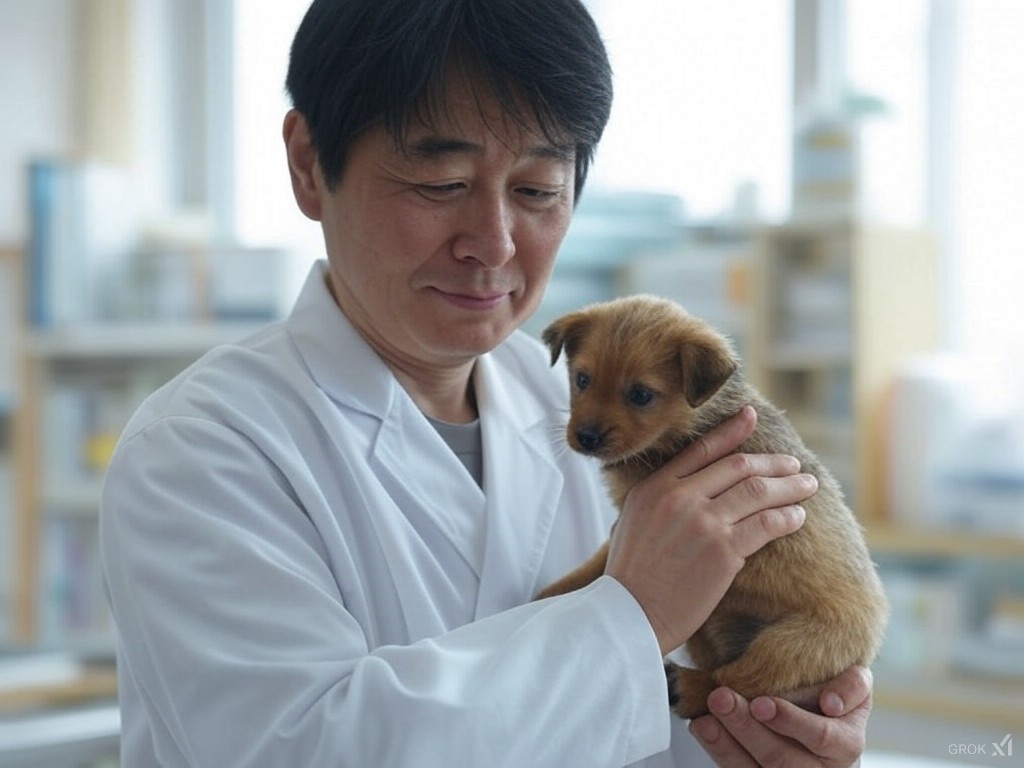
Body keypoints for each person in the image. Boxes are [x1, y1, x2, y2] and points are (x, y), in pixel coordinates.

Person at [100, 0, 874, 765]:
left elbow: (630, 722)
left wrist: (761, 733)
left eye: (537, 190)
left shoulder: (576, 407)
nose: (495, 244)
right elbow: (303, 748)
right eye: (440, 183)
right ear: (309, 164)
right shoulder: (200, 453)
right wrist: (631, 611)